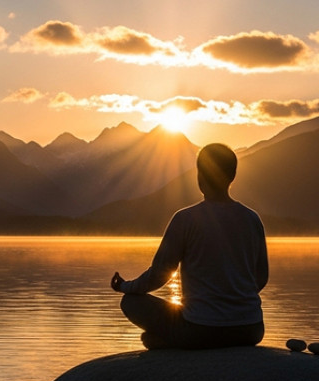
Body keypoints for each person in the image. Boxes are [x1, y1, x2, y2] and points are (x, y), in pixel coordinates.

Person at [110, 143, 268, 349]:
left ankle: (173, 342)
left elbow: (160, 274)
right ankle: (171, 340)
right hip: (251, 329)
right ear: (232, 176)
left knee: (131, 302)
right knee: (167, 327)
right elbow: (261, 277)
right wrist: (233, 297)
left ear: (200, 175)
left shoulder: (186, 219)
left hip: (200, 329)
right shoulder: (252, 219)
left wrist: (125, 287)